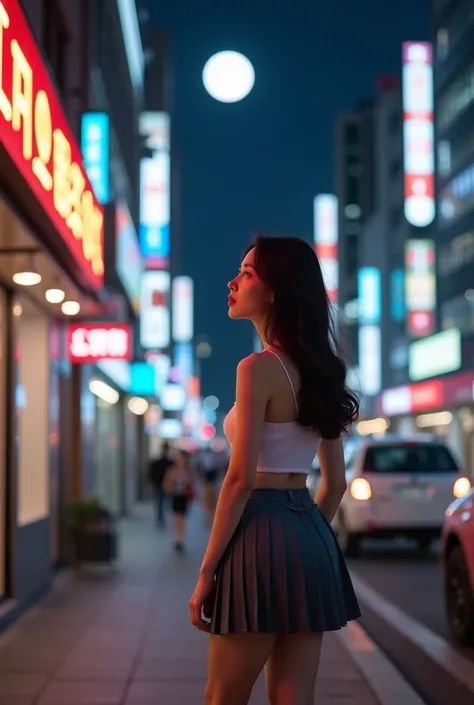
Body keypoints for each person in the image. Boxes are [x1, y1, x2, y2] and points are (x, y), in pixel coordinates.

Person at [188, 234, 360, 705]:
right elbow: (336, 483)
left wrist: (206, 572)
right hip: (310, 534)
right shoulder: (323, 370)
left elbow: (240, 478)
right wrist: (300, 534)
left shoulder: (257, 367)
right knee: (293, 696)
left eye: (246, 274)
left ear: (275, 292)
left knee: (223, 694)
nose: (232, 281)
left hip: (257, 533)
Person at [163, 449, 195, 552]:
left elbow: (192, 484)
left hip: (184, 497)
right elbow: (166, 485)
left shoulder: (188, 471)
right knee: (176, 518)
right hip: (175, 496)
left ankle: (180, 539)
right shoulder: (171, 471)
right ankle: (177, 538)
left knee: (181, 518)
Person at [148, 442, 173, 528]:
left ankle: (161, 518)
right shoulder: (167, 463)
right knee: (161, 503)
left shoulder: (167, 463)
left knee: (161, 503)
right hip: (159, 485)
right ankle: (161, 518)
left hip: (161, 485)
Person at [197, 446, 219, 527]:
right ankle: (210, 519)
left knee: (209, 502)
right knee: (210, 502)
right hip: (209, 483)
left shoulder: (206, 459)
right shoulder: (213, 459)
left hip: (209, 483)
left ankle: (209, 519)